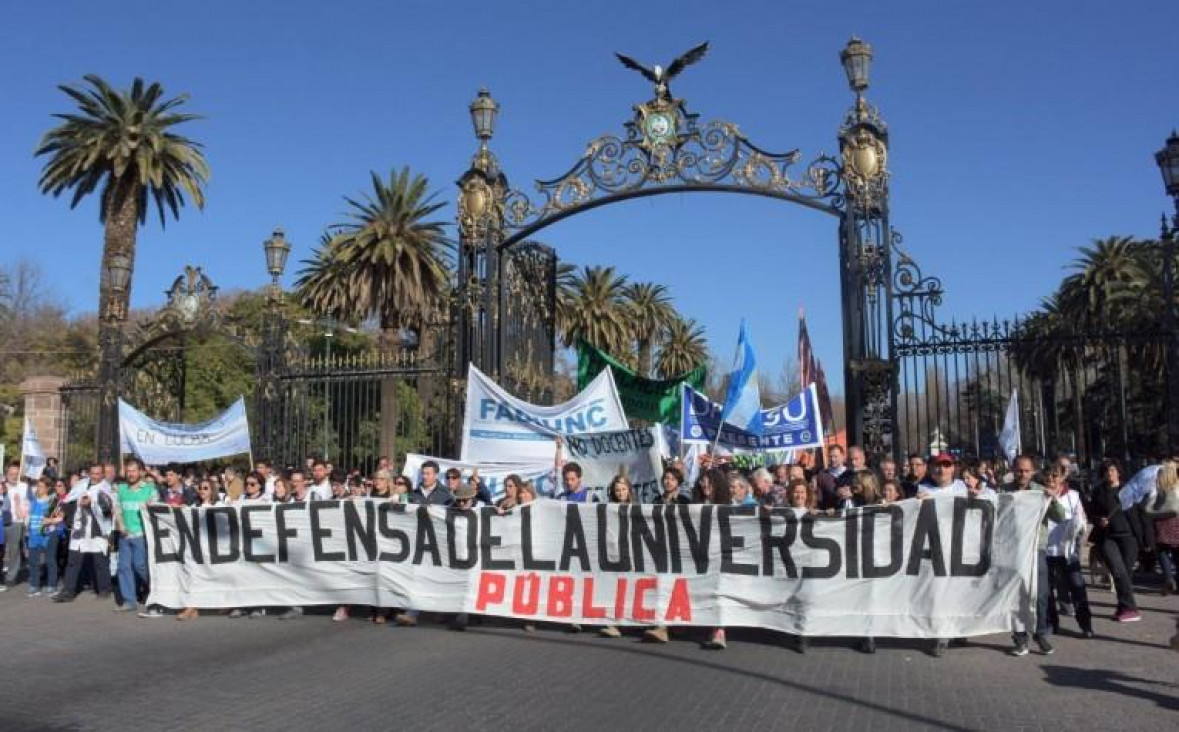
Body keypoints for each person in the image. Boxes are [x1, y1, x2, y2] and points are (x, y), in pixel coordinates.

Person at [1002, 455, 1066, 657]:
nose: (1022, 474)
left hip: (1036, 549)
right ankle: (1020, 639)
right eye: (1019, 470)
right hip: (1011, 551)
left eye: (1026, 470)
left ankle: (1040, 634)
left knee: (1041, 595)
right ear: (1013, 470)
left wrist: (1052, 499)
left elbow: (1060, 517)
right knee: (1016, 596)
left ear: (1033, 472)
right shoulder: (1003, 492)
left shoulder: (1039, 492)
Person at [1042, 465, 1094, 638]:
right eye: (1047, 476)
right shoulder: (1038, 495)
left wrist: (1081, 526)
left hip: (1067, 550)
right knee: (1046, 590)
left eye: (1055, 475)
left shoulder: (1073, 496)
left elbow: (1082, 519)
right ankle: (1051, 623)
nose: (1051, 479)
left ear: (1062, 477)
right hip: (1046, 550)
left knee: (1077, 587)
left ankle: (1085, 624)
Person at [1087, 459, 1141, 620]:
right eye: (1106, 470)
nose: (1109, 473)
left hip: (1128, 537)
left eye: (1112, 470)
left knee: (1125, 574)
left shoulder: (1128, 490)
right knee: (1118, 570)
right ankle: (1131, 609)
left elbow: (1138, 515)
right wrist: (1098, 520)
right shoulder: (1098, 491)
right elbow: (1091, 513)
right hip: (1108, 536)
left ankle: (1122, 607)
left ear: (1118, 472)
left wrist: (1145, 541)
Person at [52, 465, 115, 602]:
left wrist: (91, 504)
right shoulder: (81, 485)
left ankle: (104, 589)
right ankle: (68, 591)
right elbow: (69, 500)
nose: (95, 476)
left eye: (98, 474)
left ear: (102, 474)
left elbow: (107, 510)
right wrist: (62, 512)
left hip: (97, 529)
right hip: (80, 529)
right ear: (89, 473)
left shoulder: (106, 488)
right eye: (93, 473)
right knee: (73, 562)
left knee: (100, 562)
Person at [114, 458, 160, 616]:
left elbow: (155, 509)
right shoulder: (121, 489)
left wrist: (149, 505)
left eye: (133, 470)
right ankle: (129, 600)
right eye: (128, 471)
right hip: (125, 535)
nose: (130, 474)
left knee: (140, 565)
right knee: (123, 567)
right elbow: (117, 509)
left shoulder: (149, 489)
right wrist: (121, 525)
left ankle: (157, 591)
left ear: (140, 472)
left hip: (142, 535)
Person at [600, 475, 636, 639]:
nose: (620, 493)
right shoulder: (609, 510)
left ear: (629, 490)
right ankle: (614, 624)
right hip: (616, 553)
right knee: (618, 589)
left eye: (623, 489)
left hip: (633, 554)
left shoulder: (637, 509)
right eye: (617, 490)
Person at [702, 468, 733, 650]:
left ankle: (718, 630)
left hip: (721, 553)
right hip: (701, 553)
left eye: (708, 482)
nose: (704, 485)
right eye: (702, 481)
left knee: (718, 590)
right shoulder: (696, 503)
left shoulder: (727, 505)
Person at [1147, 461, 1179, 596]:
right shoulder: (1177, 488)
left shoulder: (1158, 489)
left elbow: (1149, 504)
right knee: (1177, 552)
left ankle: (1168, 577)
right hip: (1177, 521)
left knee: (1162, 551)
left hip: (1161, 522)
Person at [25, 477, 57, 597]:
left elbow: (59, 518)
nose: (39, 489)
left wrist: (50, 520)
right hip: (34, 534)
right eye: (38, 486)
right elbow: (28, 518)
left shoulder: (52, 502)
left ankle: (52, 585)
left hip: (48, 535)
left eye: (42, 486)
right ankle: (34, 585)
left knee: (50, 561)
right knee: (33, 561)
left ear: (48, 488)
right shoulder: (33, 502)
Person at [2, 461, 30, 589]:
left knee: (14, 551)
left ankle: (11, 577)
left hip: (16, 522)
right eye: (11, 474)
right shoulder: (2, 485)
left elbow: (31, 503)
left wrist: (26, 518)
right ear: (6, 474)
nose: (13, 476)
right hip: (1, 522)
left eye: (16, 474)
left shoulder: (24, 487)